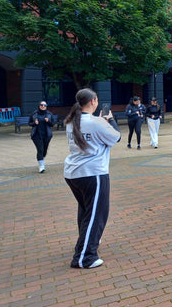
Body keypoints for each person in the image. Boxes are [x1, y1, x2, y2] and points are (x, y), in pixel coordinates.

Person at [64, 88, 121, 269]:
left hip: (73, 172)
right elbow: (116, 137)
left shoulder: (71, 120)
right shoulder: (97, 122)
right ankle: (84, 257)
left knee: (87, 211)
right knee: (97, 214)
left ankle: (86, 243)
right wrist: (110, 120)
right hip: (93, 172)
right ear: (94, 101)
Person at [28, 101, 55, 173]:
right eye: (41, 105)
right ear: (39, 106)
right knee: (40, 149)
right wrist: (34, 123)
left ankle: (41, 159)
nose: (43, 106)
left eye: (45, 105)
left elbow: (52, 124)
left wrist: (48, 121)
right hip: (36, 135)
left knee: (44, 150)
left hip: (47, 135)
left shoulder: (49, 114)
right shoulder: (34, 114)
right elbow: (29, 123)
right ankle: (41, 166)